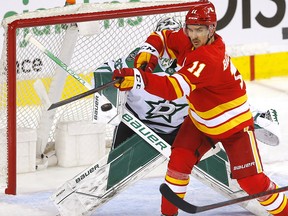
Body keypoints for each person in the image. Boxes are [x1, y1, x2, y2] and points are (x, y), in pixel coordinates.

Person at [112, 1, 288, 216]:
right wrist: (150, 52)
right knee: (177, 164)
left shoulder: (208, 58)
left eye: (200, 30)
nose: (194, 35)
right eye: (191, 29)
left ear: (212, 29)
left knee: (252, 183)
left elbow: (174, 89)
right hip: (200, 121)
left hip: (235, 127)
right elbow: (164, 36)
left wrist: (138, 78)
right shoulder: (188, 38)